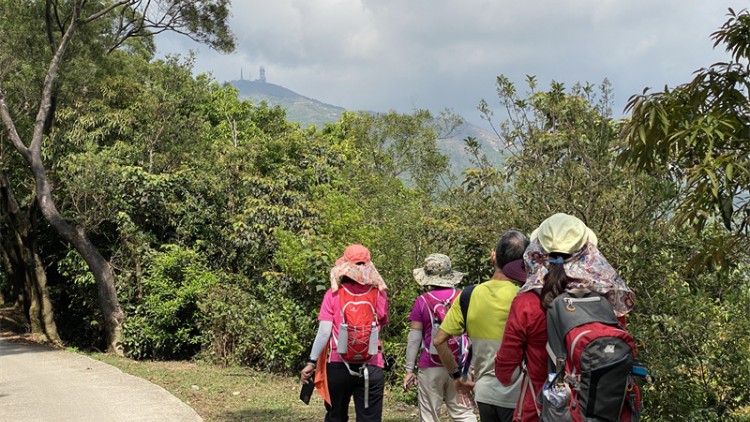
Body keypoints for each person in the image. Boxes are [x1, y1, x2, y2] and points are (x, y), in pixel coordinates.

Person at [494, 213, 635, 422]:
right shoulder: (608, 297)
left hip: (541, 412)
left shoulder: (526, 302)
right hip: (595, 413)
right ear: (587, 251)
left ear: (537, 251)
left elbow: (505, 372)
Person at [433, 230, 528, 422]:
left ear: (494, 258)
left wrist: (457, 377)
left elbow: (439, 341)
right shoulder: (525, 298)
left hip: (484, 395)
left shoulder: (469, 295)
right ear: (523, 265)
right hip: (517, 396)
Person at [299, 244, 389, 422]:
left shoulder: (333, 295)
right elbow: (382, 321)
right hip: (371, 365)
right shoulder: (379, 293)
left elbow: (324, 332)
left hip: (338, 366)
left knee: (336, 417)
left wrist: (311, 362)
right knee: (369, 418)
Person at [403, 253, 476, 422]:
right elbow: (473, 333)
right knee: (463, 412)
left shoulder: (422, 301)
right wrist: (473, 364)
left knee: (430, 415)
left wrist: (408, 370)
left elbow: (414, 338)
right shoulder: (462, 297)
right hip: (460, 365)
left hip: (430, 365)